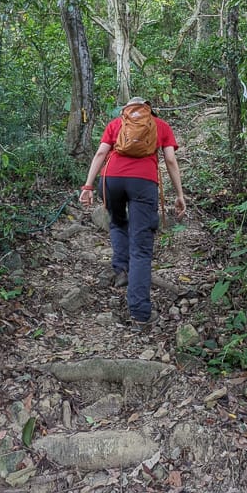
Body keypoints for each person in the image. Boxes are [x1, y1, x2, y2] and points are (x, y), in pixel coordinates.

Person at [79, 97, 186, 324]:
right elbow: (170, 160)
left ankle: (121, 269)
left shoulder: (116, 123)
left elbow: (100, 154)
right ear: (149, 110)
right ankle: (140, 312)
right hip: (143, 183)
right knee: (141, 248)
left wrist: (88, 186)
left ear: (127, 110)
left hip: (111, 180)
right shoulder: (160, 125)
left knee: (118, 221)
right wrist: (179, 194)